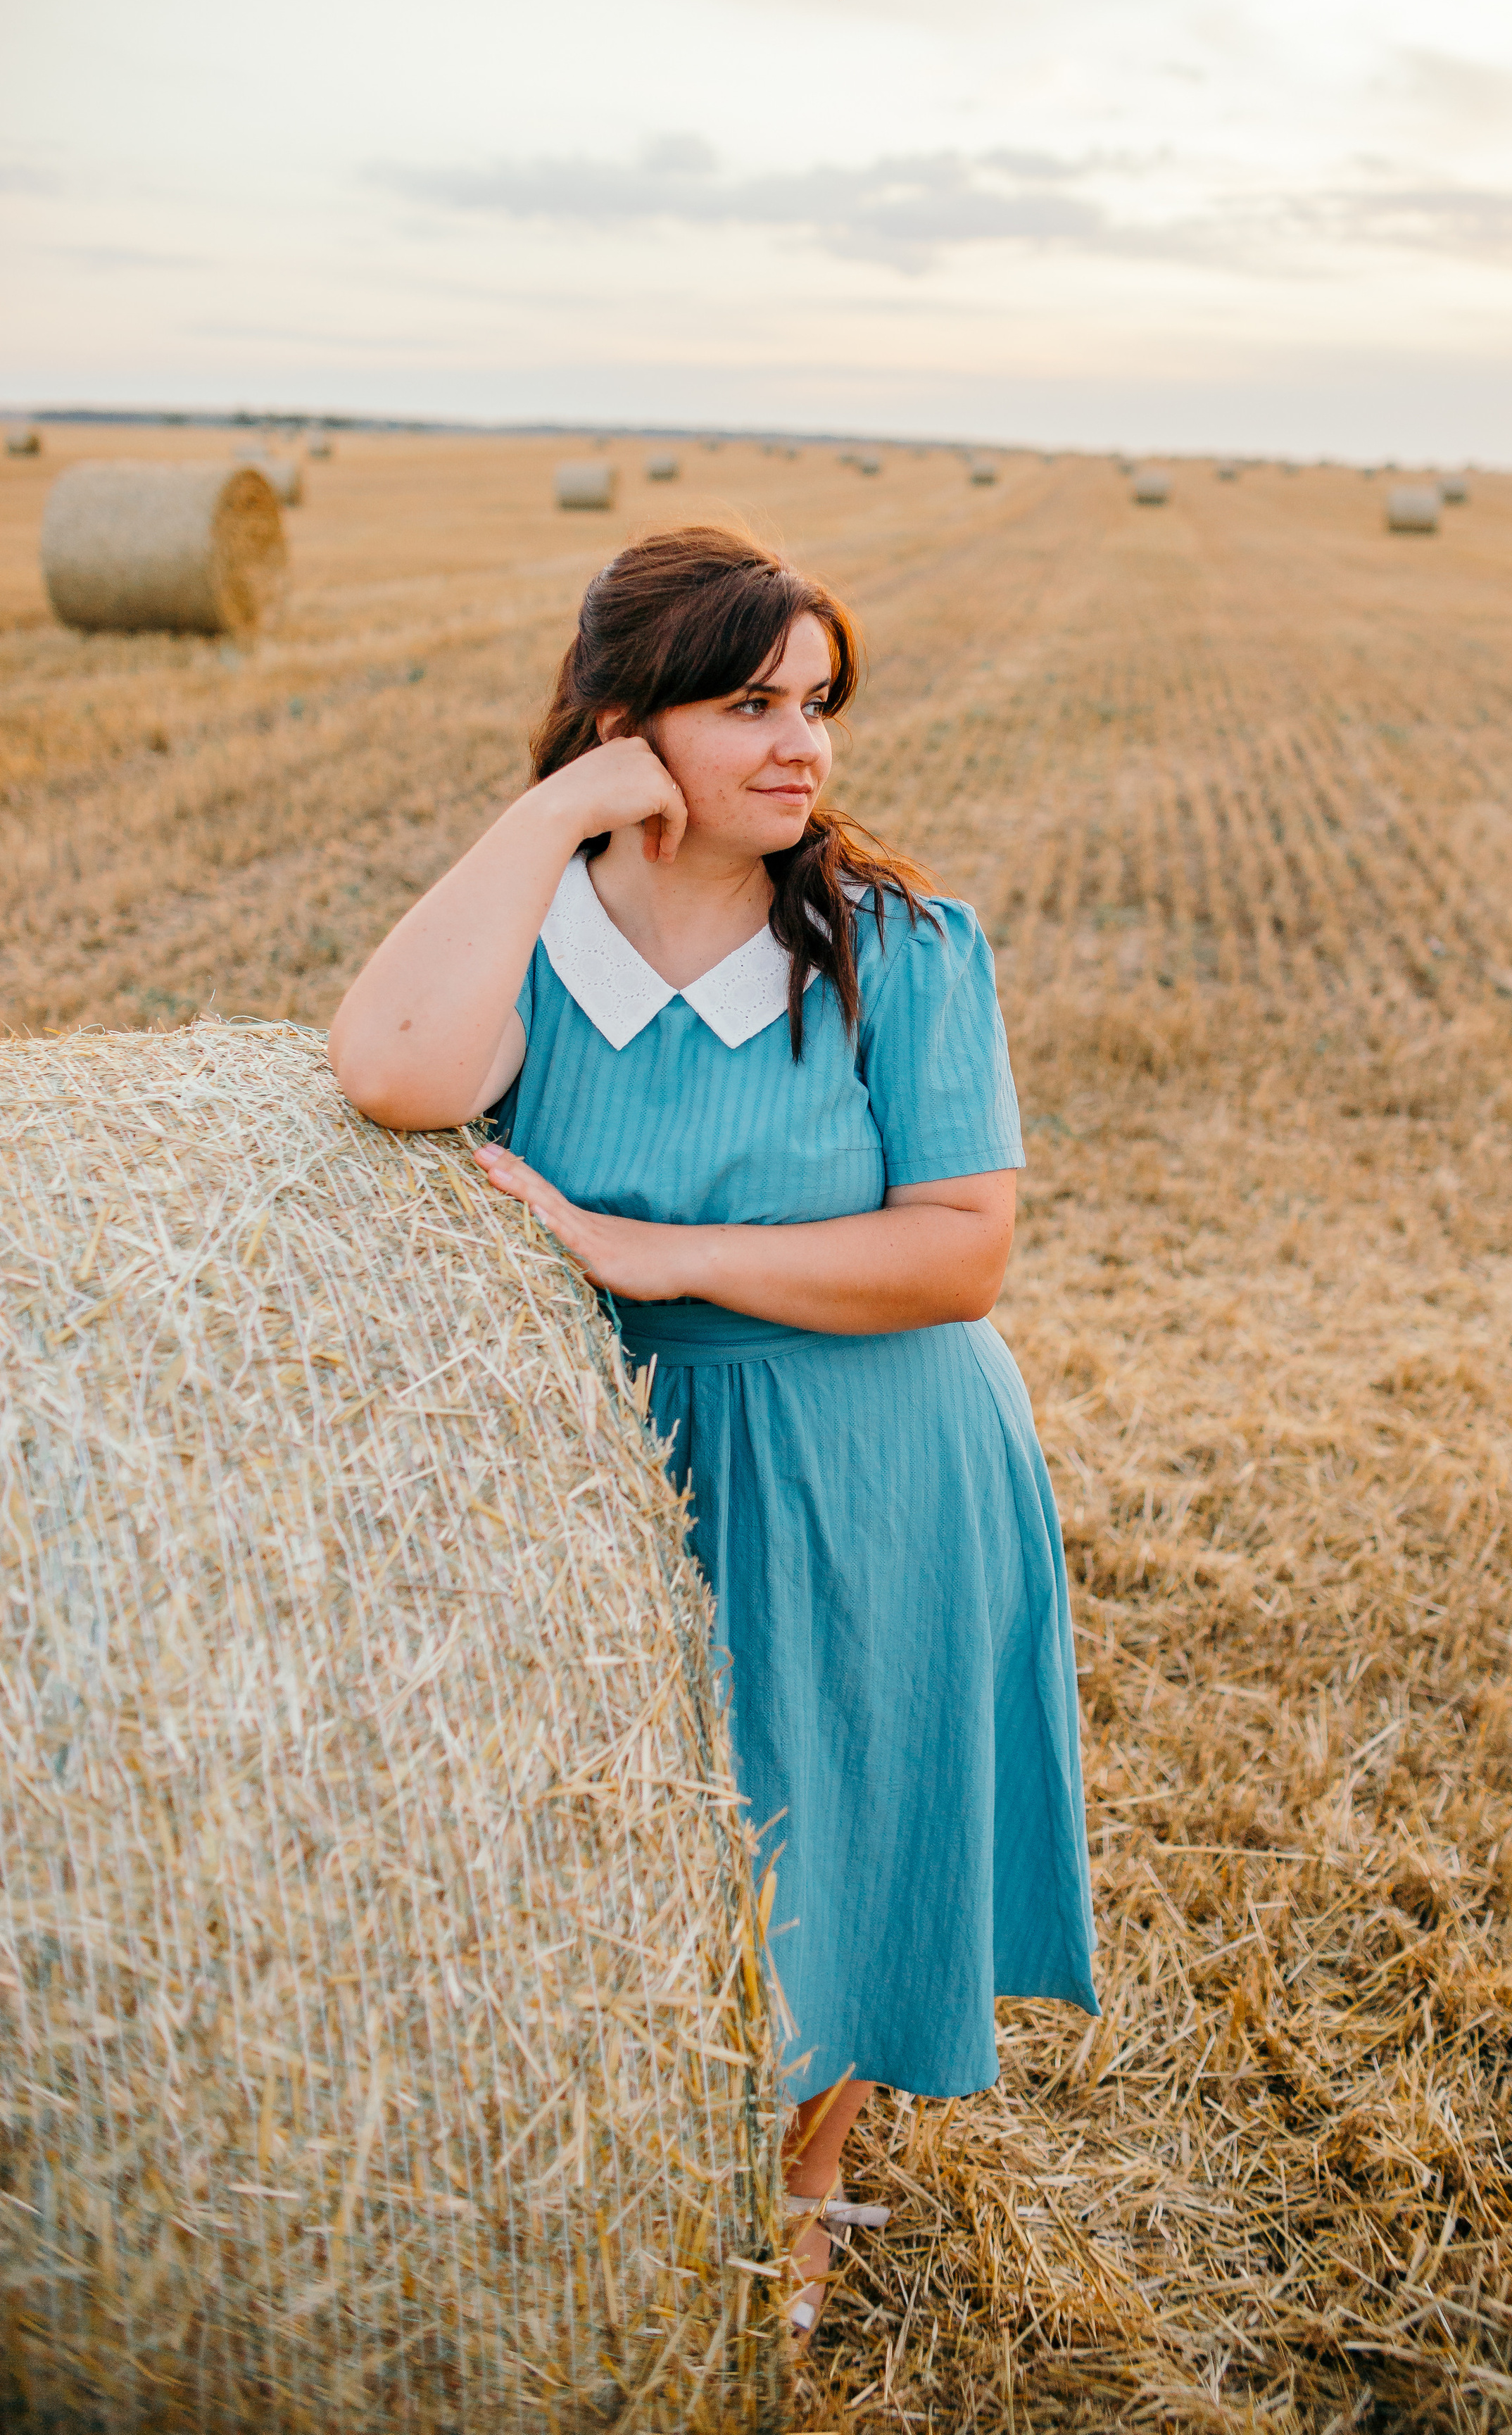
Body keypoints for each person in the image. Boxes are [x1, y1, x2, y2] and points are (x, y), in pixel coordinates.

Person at [329, 523, 1097, 2336]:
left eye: (819, 704)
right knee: (637, 1847)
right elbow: (387, 1071)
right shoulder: (542, 949)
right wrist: (544, 824)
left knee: (844, 1837)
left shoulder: (899, 948)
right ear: (624, 724)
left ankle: (808, 2182)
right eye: (748, 704)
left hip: (876, 1458)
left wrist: (633, 1246)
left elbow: (961, 1251)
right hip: (613, 1473)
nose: (803, 746)